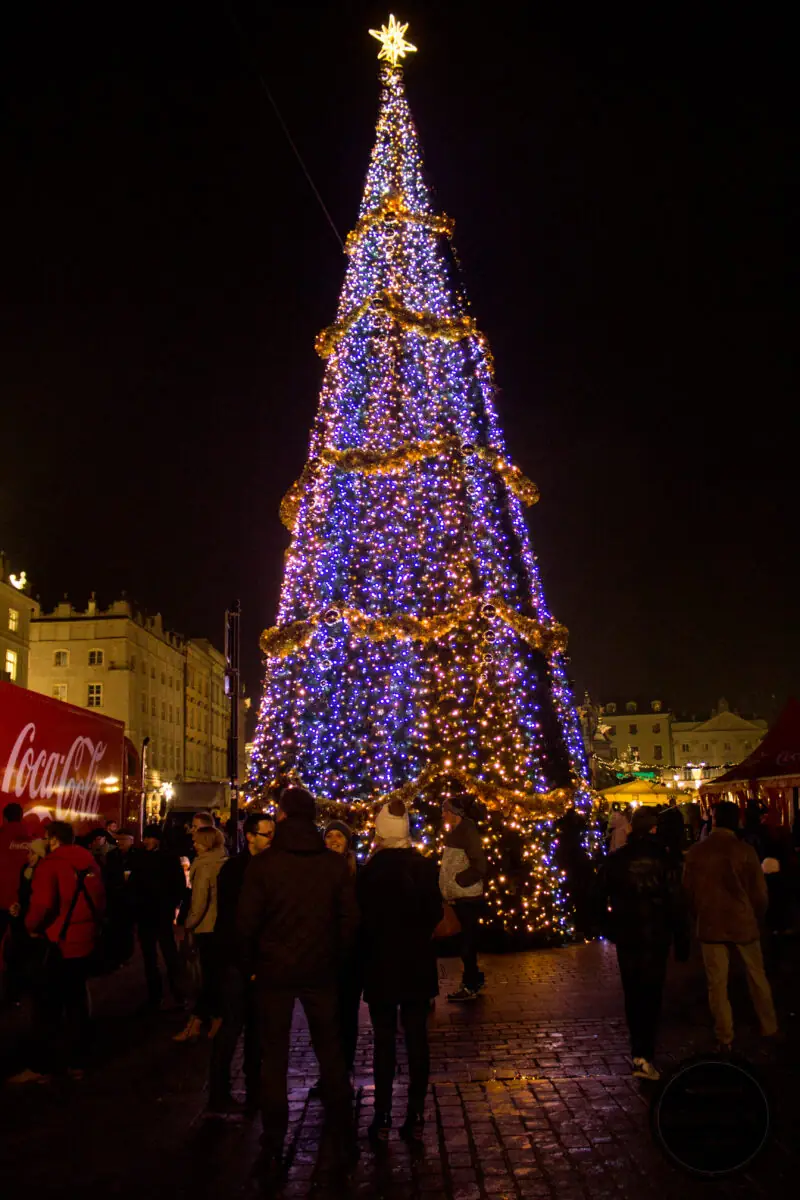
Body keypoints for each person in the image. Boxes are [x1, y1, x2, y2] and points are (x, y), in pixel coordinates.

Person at [237, 787, 359, 1182]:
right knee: (332, 1053)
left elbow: (245, 925)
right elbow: (348, 922)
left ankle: (273, 1139)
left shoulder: (264, 866)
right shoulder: (333, 866)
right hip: (321, 972)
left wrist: (252, 965)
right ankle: (344, 1135)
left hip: (274, 973)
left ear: (285, 817)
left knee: (274, 1058)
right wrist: (333, 958)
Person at [358, 802, 443, 1146]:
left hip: (380, 964)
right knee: (417, 1038)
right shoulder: (423, 867)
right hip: (416, 963)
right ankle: (417, 1114)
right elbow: (434, 912)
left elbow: (360, 919)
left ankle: (382, 1115)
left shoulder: (369, 871)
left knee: (383, 1041)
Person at [597, 807, 690, 1081]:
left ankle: (639, 1051)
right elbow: (677, 903)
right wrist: (682, 940)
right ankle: (645, 1053)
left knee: (633, 993)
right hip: (656, 936)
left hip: (628, 934)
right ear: (653, 829)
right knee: (651, 994)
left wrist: (609, 928)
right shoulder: (665, 860)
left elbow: (596, 898)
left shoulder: (616, 860)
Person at [10, 820, 106, 1084]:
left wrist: (29, 928)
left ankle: (42, 1066)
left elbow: (42, 906)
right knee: (77, 1001)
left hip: (58, 940)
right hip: (84, 937)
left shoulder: (51, 864)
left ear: (53, 839)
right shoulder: (89, 861)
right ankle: (78, 1062)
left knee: (46, 1005)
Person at [683, 800, 778, 1051]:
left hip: (711, 922)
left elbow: (688, 892)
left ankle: (725, 1034)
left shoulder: (696, 852)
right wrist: (756, 914)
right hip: (742, 920)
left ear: (714, 820)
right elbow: (759, 893)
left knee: (717, 983)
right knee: (757, 976)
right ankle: (769, 1025)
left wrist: (700, 914)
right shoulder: (744, 851)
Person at [208, 811, 275, 1115]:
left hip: (262, 961)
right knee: (232, 1026)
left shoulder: (272, 867)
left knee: (257, 1029)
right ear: (250, 836)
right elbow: (233, 922)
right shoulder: (235, 871)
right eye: (267, 834)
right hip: (238, 961)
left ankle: (254, 1087)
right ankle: (218, 1092)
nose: (272, 839)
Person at [174, 825, 227, 1042]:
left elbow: (199, 901)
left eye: (197, 841)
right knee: (213, 976)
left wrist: (188, 924)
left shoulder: (204, 866)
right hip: (219, 925)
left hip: (206, 926)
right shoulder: (221, 861)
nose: (193, 844)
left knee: (207, 977)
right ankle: (213, 1020)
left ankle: (199, 1022)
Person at [129, 824, 187, 1010]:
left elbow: (178, 885)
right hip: (148, 911)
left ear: (157, 839)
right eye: (145, 838)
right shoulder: (142, 857)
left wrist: (172, 904)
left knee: (168, 952)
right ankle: (157, 994)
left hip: (160, 911)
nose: (145, 841)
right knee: (151, 955)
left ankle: (176, 992)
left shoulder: (168, 858)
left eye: (149, 838)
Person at [439, 795, 487, 1001]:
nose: (442, 814)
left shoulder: (467, 831)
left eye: (445, 810)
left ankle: (470, 985)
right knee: (465, 942)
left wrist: (460, 880)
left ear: (453, 813)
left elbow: (479, 865)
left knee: (467, 943)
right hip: (460, 897)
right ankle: (473, 980)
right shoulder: (457, 832)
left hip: (466, 898)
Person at [0, 802, 32, 948]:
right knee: (21, 942)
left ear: (5, 819)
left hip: (2, 899)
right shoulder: (32, 840)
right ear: (21, 817)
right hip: (23, 901)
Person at [657, 797, 686, 863]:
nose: (673, 805)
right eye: (672, 803)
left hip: (676, 836)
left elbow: (681, 824)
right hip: (670, 836)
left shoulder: (677, 814)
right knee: (672, 853)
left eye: (674, 803)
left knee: (676, 851)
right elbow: (666, 825)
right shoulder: (668, 814)